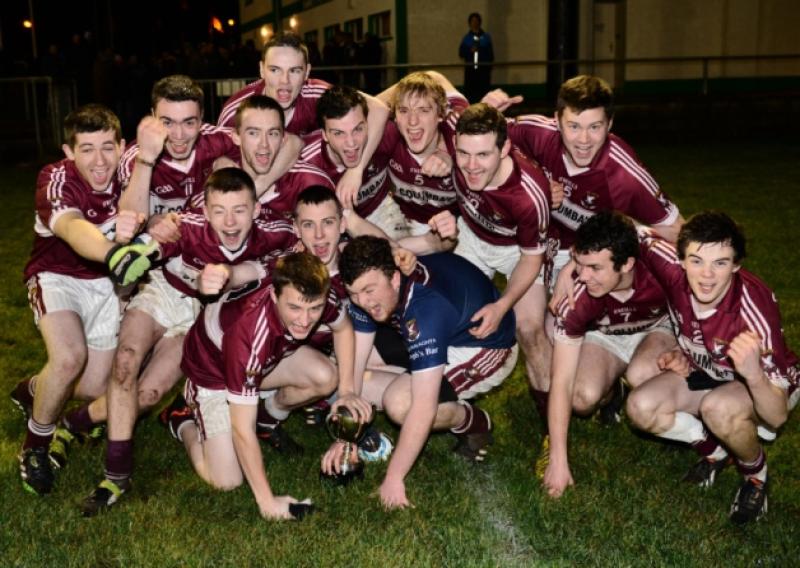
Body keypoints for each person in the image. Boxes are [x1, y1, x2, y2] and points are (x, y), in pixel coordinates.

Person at [79, 167, 295, 515]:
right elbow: (154, 245)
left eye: (239, 210)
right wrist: (139, 248)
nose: (229, 222)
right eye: (219, 211)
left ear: (256, 210)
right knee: (126, 362)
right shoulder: (188, 226)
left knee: (148, 395)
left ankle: (77, 422)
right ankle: (116, 477)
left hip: (198, 317)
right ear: (205, 211)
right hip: (162, 293)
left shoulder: (275, 233)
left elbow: (298, 244)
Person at [505, 75, 683, 463]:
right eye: (573, 126)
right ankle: (551, 425)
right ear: (557, 120)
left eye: (595, 127)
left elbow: (676, 231)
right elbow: (492, 138)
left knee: (562, 331)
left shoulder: (624, 175)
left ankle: (605, 378)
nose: (583, 139)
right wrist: (532, 176)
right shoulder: (537, 133)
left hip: (587, 256)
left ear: (610, 124)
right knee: (530, 328)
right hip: (542, 243)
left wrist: (595, 250)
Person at [626, 211, 798, 524]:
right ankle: (716, 451)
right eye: (696, 261)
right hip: (708, 371)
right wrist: (573, 266)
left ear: (736, 265)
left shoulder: (751, 313)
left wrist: (754, 375)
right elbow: (628, 229)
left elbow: (777, 415)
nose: (706, 275)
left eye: (720, 263)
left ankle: (755, 475)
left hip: (762, 386)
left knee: (718, 408)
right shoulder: (670, 267)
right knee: (641, 406)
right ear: (680, 259)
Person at [322, 237, 518, 509]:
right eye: (354, 294)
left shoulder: (425, 309)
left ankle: (472, 421)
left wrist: (393, 478)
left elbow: (423, 408)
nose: (362, 301)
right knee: (342, 371)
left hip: (481, 345)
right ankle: (422, 374)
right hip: (430, 327)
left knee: (401, 404)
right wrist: (345, 437)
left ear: (394, 278)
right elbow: (354, 368)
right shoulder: (375, 290)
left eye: (368, 291)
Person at [12, 104, 139, 495]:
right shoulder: (55, 177)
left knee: (90, 386)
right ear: (69, 152)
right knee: (69, 358)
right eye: (87, 149)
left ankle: (34, 388)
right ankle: (35, 446)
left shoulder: (133, 173)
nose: (99, 160)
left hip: (107, 285)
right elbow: (72, 227)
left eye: (107, 147)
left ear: (122, 146)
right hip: (57, 278)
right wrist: (114, 254)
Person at [172, 252, 352, 520]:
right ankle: (181, 418)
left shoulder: (312, 292)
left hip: (261, 358)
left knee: (325, 376)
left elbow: (344, 329)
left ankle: (266, 418)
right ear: (274, 296)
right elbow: (242, 430)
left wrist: (347, 393)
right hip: (213, 373)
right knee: (226, 480)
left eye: (314, 309)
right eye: (295, 308)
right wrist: (267, 502)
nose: (305, 320)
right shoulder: (249, 332)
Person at [542, 211, 676, 498]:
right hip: (606, 334)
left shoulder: (665, 264)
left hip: (656, 328)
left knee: (643, 375)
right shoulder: (576, 297)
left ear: (627, 264)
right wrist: (558, 461)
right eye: (579, 264)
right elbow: (561, 381)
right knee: (581, 397)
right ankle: (613, 390)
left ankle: (693, 434)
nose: (583, 276)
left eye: (595, 268)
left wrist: (684, 351)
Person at [451, 103, 551, 414]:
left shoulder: (529, 195)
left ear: (504, 148)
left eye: (483, 155)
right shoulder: (452, 133)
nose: (471, 165)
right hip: (471, 234)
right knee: (451, 310)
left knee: (530, 329)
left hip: (517, 251)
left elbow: (532, 259)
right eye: (463, 153)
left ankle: (549, 414)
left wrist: (502, 305)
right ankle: (455, 396)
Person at [215, 32, 390, 206]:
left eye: (294, 71)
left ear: (307, 72)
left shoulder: (315, 93)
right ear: (261, 69)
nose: (284, 81)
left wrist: (355, 171)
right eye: (275, 70)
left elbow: (379, 109)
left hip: (305, 194)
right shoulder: (236, 111)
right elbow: (216, 161)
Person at [458, 13, 494, 103]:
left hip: (483, 71)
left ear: (480, 22)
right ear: (470, 23)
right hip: (470, 71)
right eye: (472, 21)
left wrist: (481, 51)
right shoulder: (466, 38)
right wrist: (470, 51)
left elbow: (491, 55)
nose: (475, 23)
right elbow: (461, 53)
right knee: (471, 94)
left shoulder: (486, 38)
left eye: (476, 21)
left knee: (483, 94)